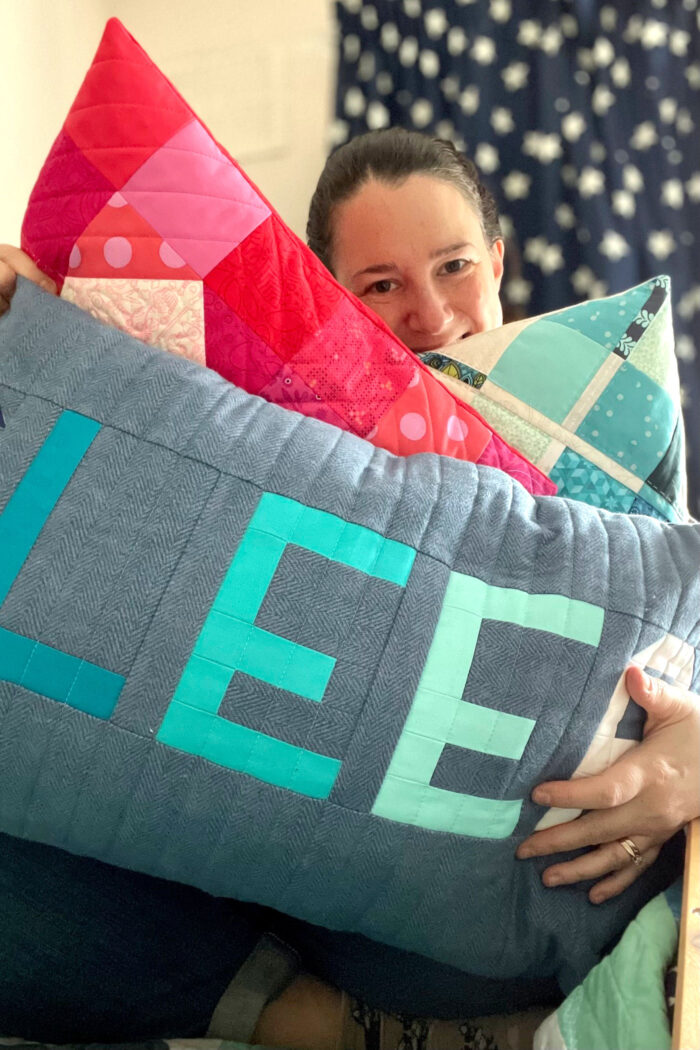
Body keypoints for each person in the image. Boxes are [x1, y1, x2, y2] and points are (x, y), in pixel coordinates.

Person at [0, 128, 699, 1049]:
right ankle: (315, 1021)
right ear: (325, 298)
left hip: (471, 917)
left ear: (496, 259)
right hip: (262, 883)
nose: (432, 314)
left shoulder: (593, 427)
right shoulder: (272, 402)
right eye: (381, 285)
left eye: (453, 266)